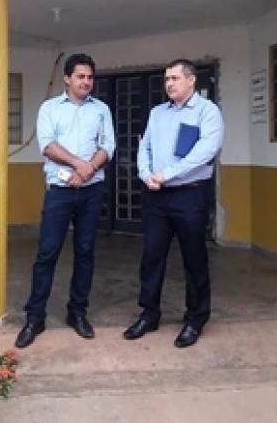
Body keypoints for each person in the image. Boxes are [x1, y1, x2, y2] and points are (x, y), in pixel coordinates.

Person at [15, 53, 115, 349]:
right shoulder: (49, 108)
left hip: (91, 190)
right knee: (47, 253)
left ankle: (77, 312)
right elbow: (47, 145)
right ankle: (35, 317)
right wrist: (78, 164)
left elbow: (108, 145)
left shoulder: (101, 110)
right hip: (59, 191)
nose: (86, 82)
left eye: (90, 77)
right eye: (80, 76)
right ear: (67, 79)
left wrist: (87, 170)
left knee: (85, 252)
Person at [123, 59, 224, 348]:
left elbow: (205, 151)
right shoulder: (158, 113)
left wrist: (167, 174)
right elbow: (144, 146)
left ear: (191, 80)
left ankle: (195, 319)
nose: (169, 83)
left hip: (189, 195)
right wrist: (146, 175)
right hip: (156, 196)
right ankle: (149, 313)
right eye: (166, 79)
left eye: (175, 78)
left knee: (194, 259)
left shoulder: (207, 112)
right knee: (152, 256)